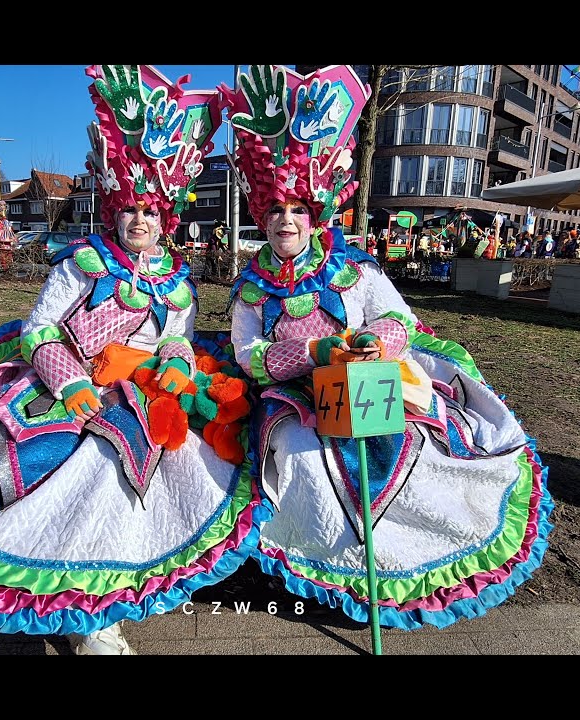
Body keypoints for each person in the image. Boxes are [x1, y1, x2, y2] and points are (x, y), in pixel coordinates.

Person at [0, 64, 257, 655]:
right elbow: (39, 330)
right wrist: (71, 383)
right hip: (66, 384)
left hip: (141, 390)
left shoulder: (176, 281)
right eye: (131, 209)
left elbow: (177, 339)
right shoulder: (81, 265)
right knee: (83, 459)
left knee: (180, 459)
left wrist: (179, 363)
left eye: (151, 212)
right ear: (115, 213)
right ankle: (83, 614)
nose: (140, 220)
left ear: (167, 219)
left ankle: (118, 583)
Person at [223, 64, 550, 631]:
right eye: (276, 210)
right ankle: (328, 572)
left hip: (371, 381)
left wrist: (374, 341)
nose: (286, 220)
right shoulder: (250, 288)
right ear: (262, 217)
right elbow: (249, 355)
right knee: (305, 458)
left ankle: (402, 564)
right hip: (292, 396)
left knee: (409, 444)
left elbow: (399, 317)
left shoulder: (355, 269)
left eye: (297, 210)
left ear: (315, 216)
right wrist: (313, 357)